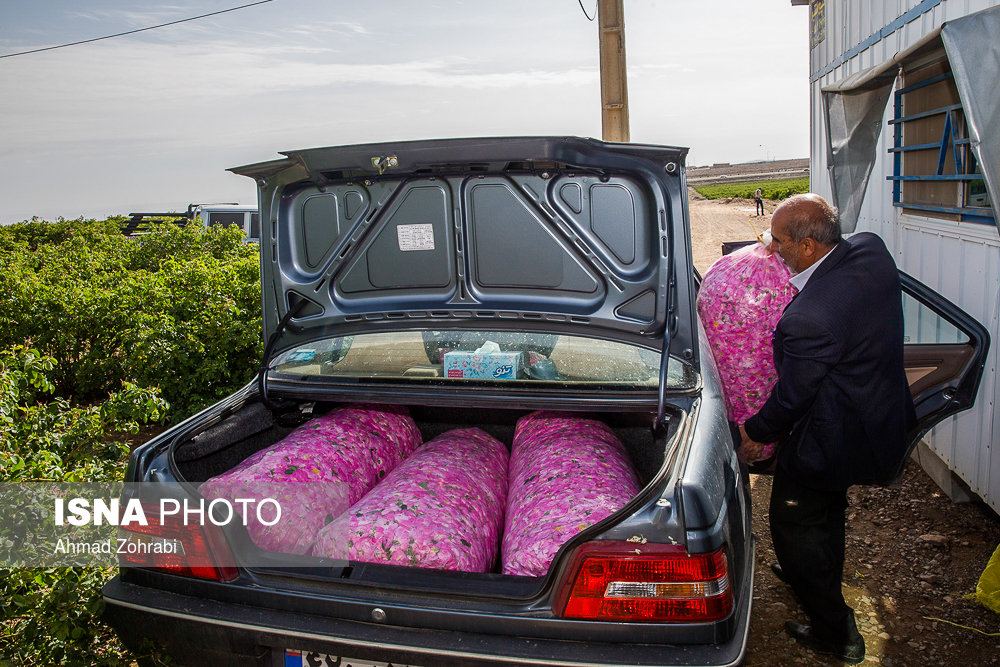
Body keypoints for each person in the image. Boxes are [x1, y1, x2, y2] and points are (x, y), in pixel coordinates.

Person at [738, 193, 916, 665]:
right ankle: (805, 570)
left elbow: (792, 397)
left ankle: (836, 632)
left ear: (810, 246)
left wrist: (752, 431)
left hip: (832, 436)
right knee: (826, 509)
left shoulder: (810, 319)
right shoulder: (870, 251)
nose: (770, 250)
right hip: (876, 414)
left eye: (777, 241)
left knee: (795, 521)